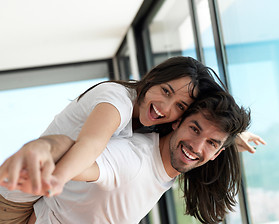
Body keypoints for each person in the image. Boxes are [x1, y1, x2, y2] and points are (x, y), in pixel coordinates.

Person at [3, 90, 251, 224]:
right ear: (176, 123)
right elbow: (75, 154)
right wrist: (42, 149)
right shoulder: (132, 158)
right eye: (194, 129)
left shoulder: (164, 166)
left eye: (211, 143)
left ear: (219, 153)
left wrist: (233, 137)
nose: (196, 146)